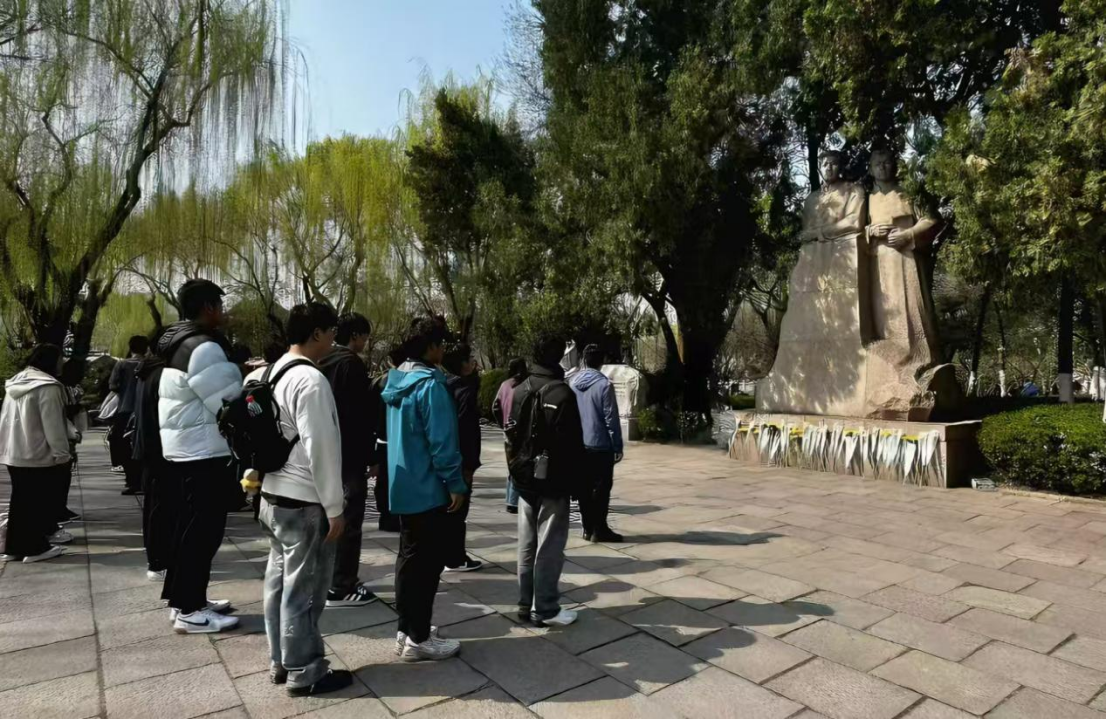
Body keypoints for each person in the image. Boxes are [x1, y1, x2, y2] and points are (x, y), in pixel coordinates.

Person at [260, 302, 353, 696]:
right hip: (303, 499)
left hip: (271, 495)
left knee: (278, 581)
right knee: (305, 589)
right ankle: (305, 669)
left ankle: (280, 660)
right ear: (317, 333)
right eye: (331, 331)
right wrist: (335, 507)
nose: (334, 338)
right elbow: (322, 448)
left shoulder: (268, 372)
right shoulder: (311, 380)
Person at [157, 279, 242, 634]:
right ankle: (190, 610)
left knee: (188, 530)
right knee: (202, 533)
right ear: (208, 307)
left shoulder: (178, 342)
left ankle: (186, 600)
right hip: (203, 452)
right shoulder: (203, 347)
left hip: (186, 450)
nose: (223, 312)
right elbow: (229, 402)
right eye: (220, 305)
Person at [381, 316, 467, 661]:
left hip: (403, 483)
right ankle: (418, 638)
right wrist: (455, 482)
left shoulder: (397, 381)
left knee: (408, 560)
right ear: (431, 347)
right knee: (427, 565)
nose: (443, 349)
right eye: (440, 343)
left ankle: (407, 629)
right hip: (428, 485)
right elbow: (442, 442)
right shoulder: (430, 385)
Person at [511, 335, 585, 628]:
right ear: (559, 357)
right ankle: (546, 607)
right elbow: (572, 446)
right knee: (550, 545)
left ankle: (524, 602)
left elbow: (510, 432)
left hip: (523, 477)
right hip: (553, 480)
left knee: (527, 543)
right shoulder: (562, 393)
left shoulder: (520, 389)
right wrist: (577, 484)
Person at [318, 312, 379, 607]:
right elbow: (361, 417)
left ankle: (326, 578)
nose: (365, 342)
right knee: (349, 519)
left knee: (326, 518)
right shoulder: (350, 364)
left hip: (322, 452)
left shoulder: (319, 360)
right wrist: (372, 456)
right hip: (349, 454)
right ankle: (343, 585)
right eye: (365, 337)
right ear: (355, 335)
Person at [0, 344, 76, 564]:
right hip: (38, 453)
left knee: (20, 501)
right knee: (37, 502)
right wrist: (62, 454)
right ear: (51, 361)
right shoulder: (48, 387)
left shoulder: (15, 383)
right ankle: (35, 548)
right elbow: (53, 425)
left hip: (14, 452)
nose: (63, 363)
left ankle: (14, 547)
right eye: (60, 358)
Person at [570, 345, 625, 543]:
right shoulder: (604, 385)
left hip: (579, 444)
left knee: (583, 488)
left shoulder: (572, 383)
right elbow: (611, 418)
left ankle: (587, 527)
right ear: (602, 362)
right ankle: (599, 529)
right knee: (601, 489)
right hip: (600, 445)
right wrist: (617, 445)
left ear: (584, 360)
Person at [442, 342, 483, 573]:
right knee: (458, 509)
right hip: (461, 460)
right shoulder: (465, 391)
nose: (473, 363)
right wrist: (468, 465)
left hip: (446, 456)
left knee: (449, 508)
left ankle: (449, 553)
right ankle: (455, 557)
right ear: (463, 365)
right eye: (470, 359)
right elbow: (467, 430)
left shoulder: (444, 385)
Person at [131, 344, 170, 582]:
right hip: (160, 449)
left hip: (148, 447)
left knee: (155, 507)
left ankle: (157, 560)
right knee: (161, 508)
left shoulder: (147, 372)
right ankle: (158, 562)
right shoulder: (162, 374)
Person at [109, 335, 149, 495]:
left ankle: (132, 480)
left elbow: (113, 385)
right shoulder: (151, 364)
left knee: (123, 445)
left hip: (125, 409)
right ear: (146, 348)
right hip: (145, 410)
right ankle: (144, 480)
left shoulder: (122, 364)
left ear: (130, 347)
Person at [369, 350, 401, 533]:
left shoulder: (378, 381)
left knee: (383, 480)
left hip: (381, 437)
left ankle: (385, 516)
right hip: (398, 437)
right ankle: (395, 516)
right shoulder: (406, 382)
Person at [492, 358, 528, 514]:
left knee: (511, 465)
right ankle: (514, 501)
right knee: (520, 465)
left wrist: (502, 424)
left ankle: (510, 500)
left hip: (507, 431)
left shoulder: (504, 385)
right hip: (522, 431)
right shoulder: (526, 385)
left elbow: (495, 407)